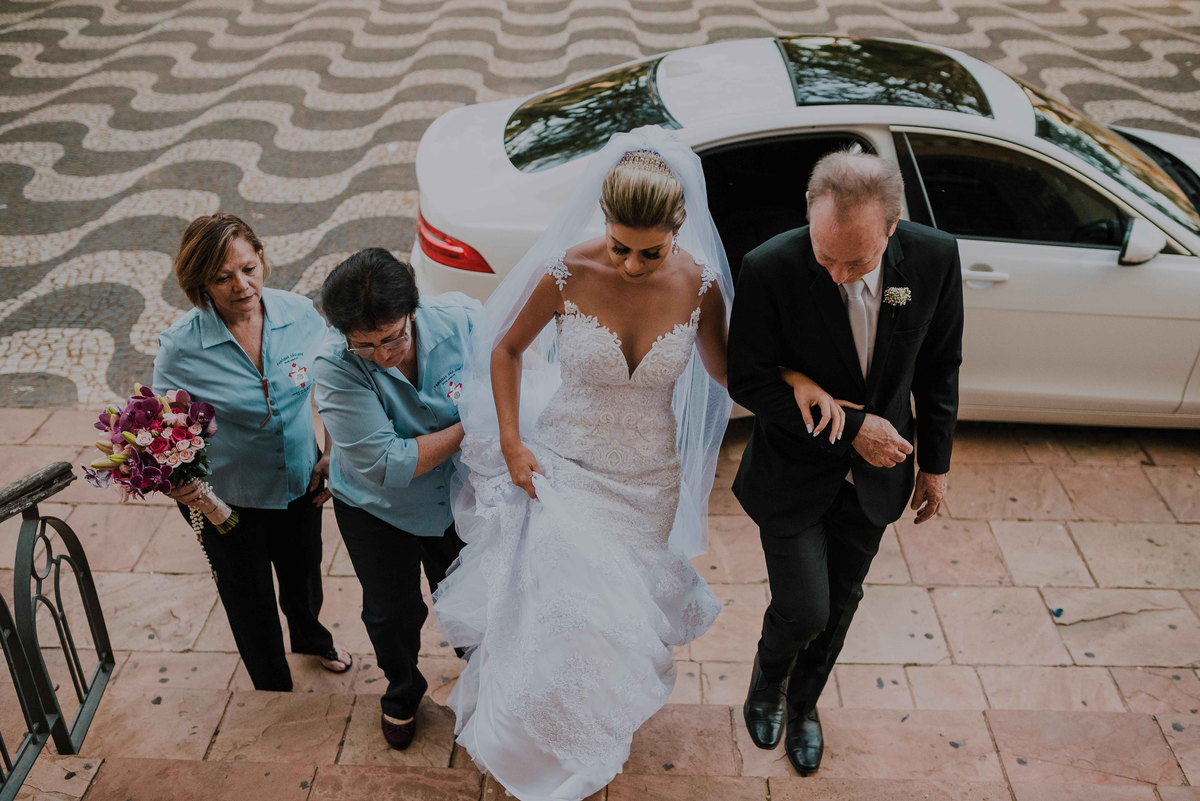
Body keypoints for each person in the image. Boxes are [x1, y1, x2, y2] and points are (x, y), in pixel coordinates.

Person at [430, 126, 762, 801]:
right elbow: (504, 350)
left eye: (651, 251)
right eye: (620, 246)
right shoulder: (568, 269)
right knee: (564, 609)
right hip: (569, 465)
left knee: (616, 621)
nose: (634, 265)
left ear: (678, 231)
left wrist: (797, 373)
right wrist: (516, 443)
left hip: (648, 479)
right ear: (603, 222)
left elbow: (727, 371)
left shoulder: (701, 287)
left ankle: (594, 723)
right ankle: (533, 746)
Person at [730, 151, 965, 776]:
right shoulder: (770, 266)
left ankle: (804, 707)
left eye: (855, 262)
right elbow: (746, 378)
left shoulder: (936, 258)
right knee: (803, 606)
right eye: (823, 255)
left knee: (841, 603)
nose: (835, 274)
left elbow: (940, 367)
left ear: (891, 227)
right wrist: (854, 427)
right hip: (791, 471)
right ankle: (766, 682)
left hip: (878, 477)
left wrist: (935, 466)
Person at [153, 212, 351, 692]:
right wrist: (190, 491)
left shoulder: (301, 314)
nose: (242, 285)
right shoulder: (182, 348)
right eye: (222, 277)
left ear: (261, 257)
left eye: (248, 268)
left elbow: (339, 389)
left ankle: (310, 638)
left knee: (304, 577)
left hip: (300, 482)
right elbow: (160, 432)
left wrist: (332, 452)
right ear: (200, 282)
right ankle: (272, 684)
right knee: (249, 597)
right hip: (229, 502)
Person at [312, 249, 478, 751]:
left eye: (394, 338)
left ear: (413, 310)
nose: (384, 354)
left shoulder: (465, 320)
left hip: (457, 498)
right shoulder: (334, 364)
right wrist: (474, 424)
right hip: (374, 507)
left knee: (476, 598)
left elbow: (518, 368)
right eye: (365, 345)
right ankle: (403, 690)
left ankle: (490, 684)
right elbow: (388, 464)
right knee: (390, 611)